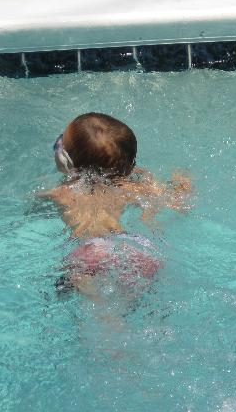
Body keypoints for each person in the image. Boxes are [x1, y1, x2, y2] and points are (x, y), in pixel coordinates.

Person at [42, 112, 191, 299]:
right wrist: (184, 181)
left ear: (65, 161)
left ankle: (103, 310)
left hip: (92, 250)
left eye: (59, 144)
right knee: (135, 298)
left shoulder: (62, 192)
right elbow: (178, 200)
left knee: (82, 289)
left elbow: (32, 207)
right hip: (135, 247)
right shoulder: (131, 186)